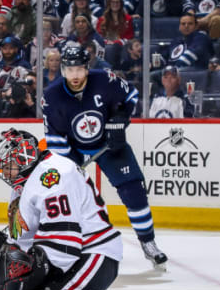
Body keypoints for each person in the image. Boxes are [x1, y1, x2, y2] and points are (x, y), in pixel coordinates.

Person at [0, 128, 141, 290]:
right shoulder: (22, 184)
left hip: (95, 252)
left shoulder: (54, 175)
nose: (5, 173)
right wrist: (3, 262)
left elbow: (64, 243)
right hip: (68, 252)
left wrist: (32, 272)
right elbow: (22, 237)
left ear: (24, 158)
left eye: (8, 166)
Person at [42, 45, 168, 270]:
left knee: (134, 191)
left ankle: (148, 243)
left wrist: (119, 119)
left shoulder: (105, 80)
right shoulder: (51, 96)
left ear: (87, 68)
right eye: (70, 70)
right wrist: (68, 166)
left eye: (80, 69)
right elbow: (54, 138)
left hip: (110, 144)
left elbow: (131, 94)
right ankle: (71, 244)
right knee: (67, 199)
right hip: (74, 149)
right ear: (62, 70)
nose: (75, 75)